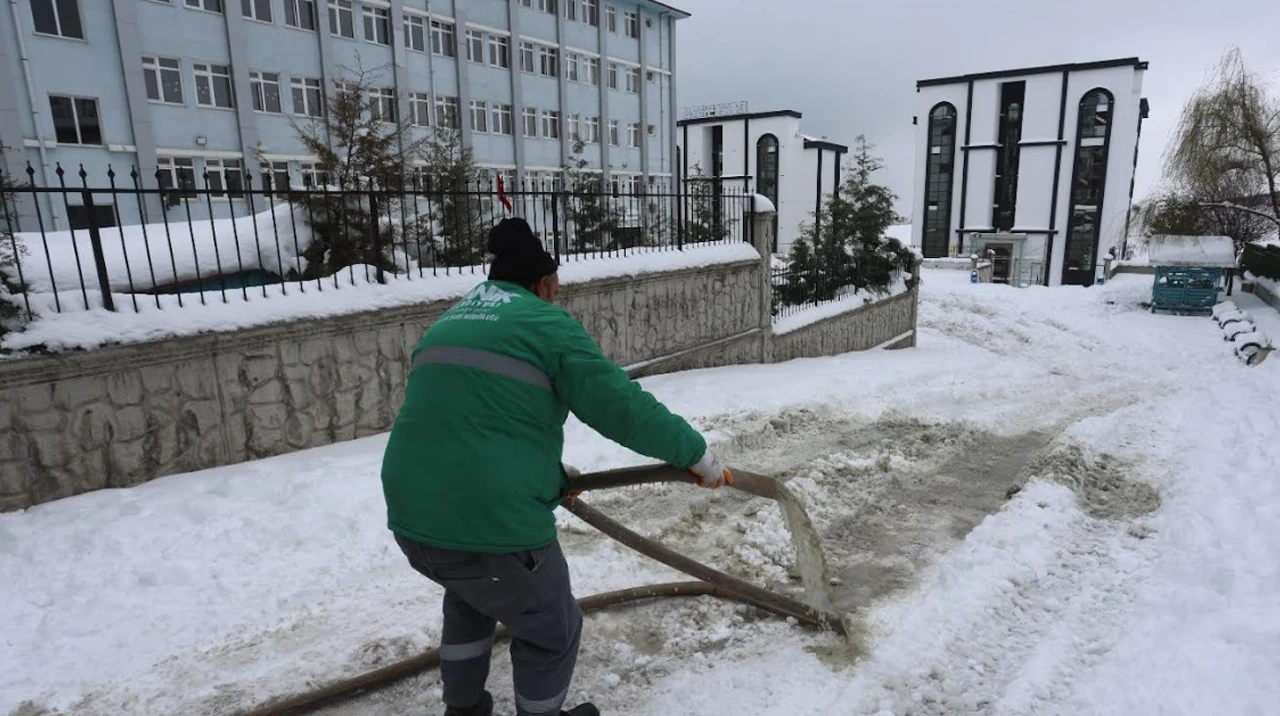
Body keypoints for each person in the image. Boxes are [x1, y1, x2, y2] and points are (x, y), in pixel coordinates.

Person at [381, 217, 733, 716]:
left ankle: (463, 710)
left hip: (412, 513)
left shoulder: (451, 320)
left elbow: (474, 420)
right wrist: (696, 454)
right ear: (543, 284)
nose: (556, 299)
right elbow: (621, 407)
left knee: (472, 595)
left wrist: (545, 473)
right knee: (552, 627)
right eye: (556, 291)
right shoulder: (546, 325)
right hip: (490, 517)